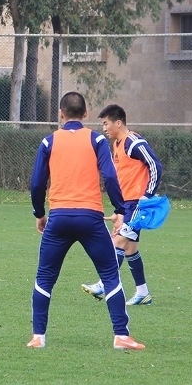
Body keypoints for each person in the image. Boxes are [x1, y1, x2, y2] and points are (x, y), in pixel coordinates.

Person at [27, 92, 144, 350]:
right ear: (86, 114)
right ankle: (121, 336)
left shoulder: (48, 141)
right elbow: (110, 177)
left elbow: (36, 183)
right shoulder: (97, 139)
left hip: (58, 218)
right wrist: (119, 208)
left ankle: (38, 337)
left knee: (45, 276)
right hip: (91, 218)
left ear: (61, 114)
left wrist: (39, 214)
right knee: (110, 274)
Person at [81, 104, 163, 305]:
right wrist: (119, 209)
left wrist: (147, 195)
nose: (104, 128)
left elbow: (155, 165)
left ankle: (103, 284)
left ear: (118, 123)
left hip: (137, 204)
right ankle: (143, 293)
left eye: (106, 123)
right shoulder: (117, 144)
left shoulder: (133, 142)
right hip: (127, 205)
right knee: (130, 248)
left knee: (117, 242)